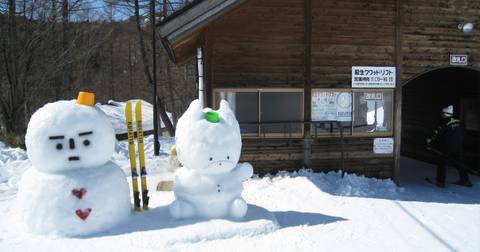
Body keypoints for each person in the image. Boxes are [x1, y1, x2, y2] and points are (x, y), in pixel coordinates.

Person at [427, 105, 472, 188]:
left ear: (444, 114)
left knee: (442, 163)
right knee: (460, 163)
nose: (441, 115)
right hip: (458, 146)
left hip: (447, 147)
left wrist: (429, 141)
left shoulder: (444, 123)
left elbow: (436, 134)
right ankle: (465, 180)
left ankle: (440, 182)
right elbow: (463, 133)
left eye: (442, 113)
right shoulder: (458, 122)